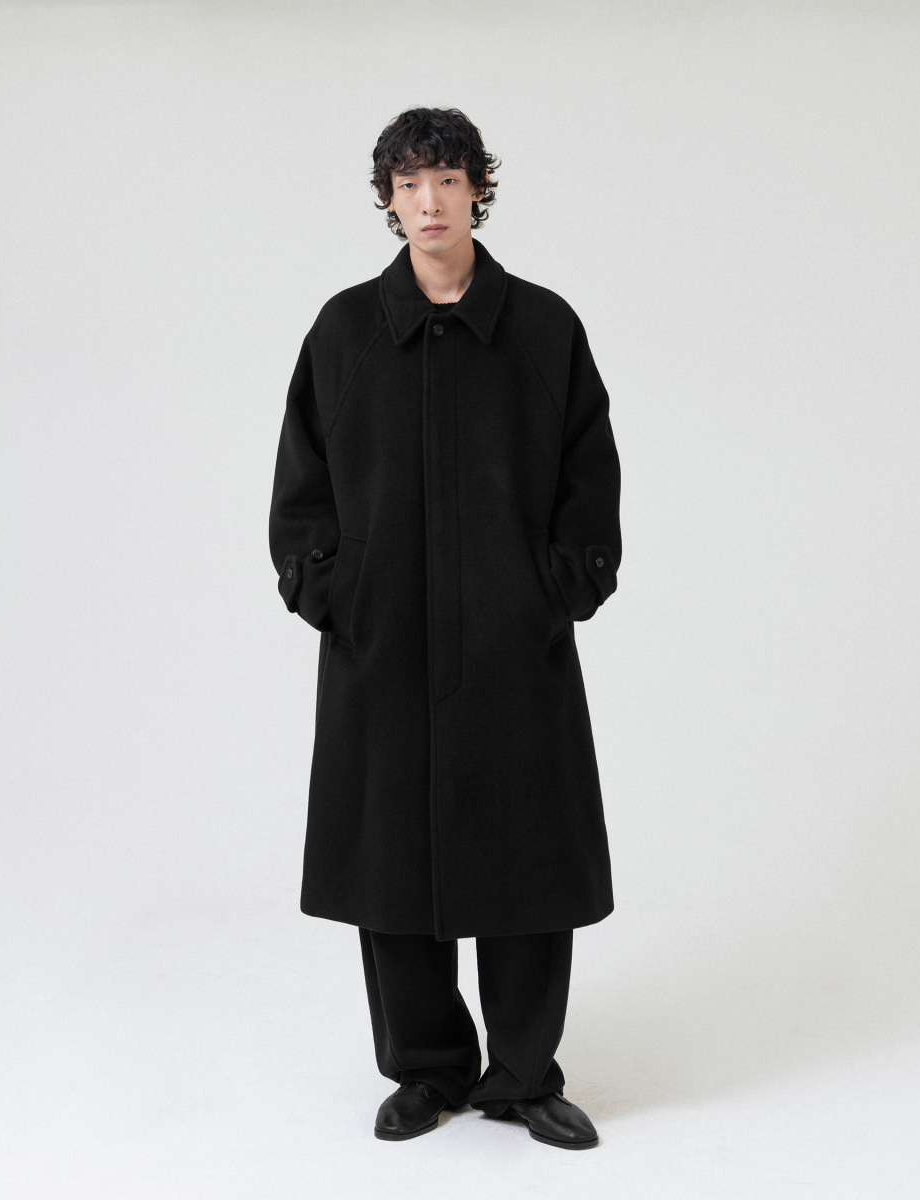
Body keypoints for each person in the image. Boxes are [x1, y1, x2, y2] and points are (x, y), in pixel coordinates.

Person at [269, 107, 621, 1150]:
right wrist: (333, 593)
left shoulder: (543, 328)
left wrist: (556, 589)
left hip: (515, 648)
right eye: (410, 183)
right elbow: (301, 483)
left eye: (448, 180)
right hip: (382, 649)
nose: (430, 202)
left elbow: (589, 474)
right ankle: (426, 1069)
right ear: (388, 198)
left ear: (478, 190)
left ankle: (523, 1076)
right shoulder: (344, 332)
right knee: (391, 863)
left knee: (528, 859)